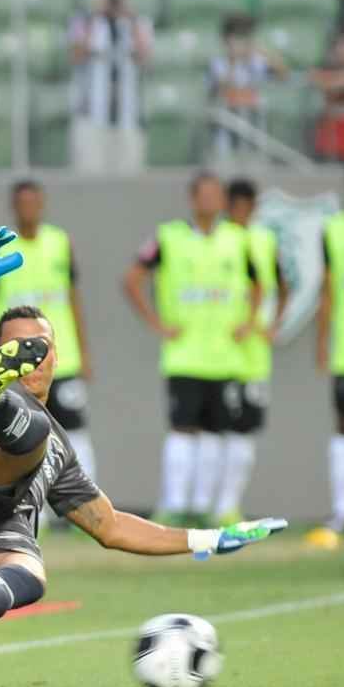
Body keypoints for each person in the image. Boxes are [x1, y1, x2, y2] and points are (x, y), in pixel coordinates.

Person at [0, 227, 285, 632]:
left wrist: (210, 539)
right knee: (32, 433)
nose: (34, 359)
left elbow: (111, 527)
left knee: (31, 576)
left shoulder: (61, 452)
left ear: (56, 356)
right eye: (19, 349)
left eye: (41, 348)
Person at [122, 173, 260, 526]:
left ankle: (207, 508)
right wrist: (156, 323)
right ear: (193, 198)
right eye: (206, 194)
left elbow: (259, 283)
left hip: (226, 356)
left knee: (217, 432)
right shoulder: (169, 237)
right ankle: (176, 505)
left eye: (218, 195)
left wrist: (250, 321)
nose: (212, 201)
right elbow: (132, 279)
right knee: (183, 429)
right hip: (184, 355)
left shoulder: (237, 239)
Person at [0, 180, 96, 484]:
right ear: (13, 207)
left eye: (34, 202)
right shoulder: (1, 248)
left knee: (74, 428)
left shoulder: (60, 242)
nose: (28, 208)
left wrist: (84, 351)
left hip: (62, 357)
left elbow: (73, 298)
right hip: (16, 362)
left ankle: (83, 496)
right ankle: (32, 508)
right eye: (22, 203)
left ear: (42, 204)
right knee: (23, 430)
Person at [214, 179, 287, 525]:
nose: (244, 211)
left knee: (245, 429)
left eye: (249, 205)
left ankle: (229, 505)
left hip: (254, 356)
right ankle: (208, 504)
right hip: (218, 353)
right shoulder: (220, 238)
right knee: (215, 429)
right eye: (238, 204)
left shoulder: (265, 240)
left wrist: (271, 325)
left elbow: (283, 287)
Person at [68, 0, 152, 174]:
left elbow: (145, 58)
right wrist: (95, 15)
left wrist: (129, 18)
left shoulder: (139, 21)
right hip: (92, 117)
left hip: (128, 117)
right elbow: (75, 55)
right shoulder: (82, 21)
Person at [208, 14, 287, 160]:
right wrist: (233, 61)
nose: (240, 43)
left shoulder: (257, 61)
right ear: (226, 40)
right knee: (226, 161)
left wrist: (261, 51)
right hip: (228, 122)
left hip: (254, 120)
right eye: (236, 37)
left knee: (255, 159)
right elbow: (220, 89)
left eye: (244, 37)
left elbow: (282, 74)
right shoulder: (218, 63)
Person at [314, 205, 344, 537]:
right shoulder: (336, 230)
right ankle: (342, 511)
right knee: (343, 429)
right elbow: (327, 290)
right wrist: (322, 340)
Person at [312, 32, 344, 162]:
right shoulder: (327, 66)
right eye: (341, 46)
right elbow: (317, 79)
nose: (343, 50)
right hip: (332, 124)